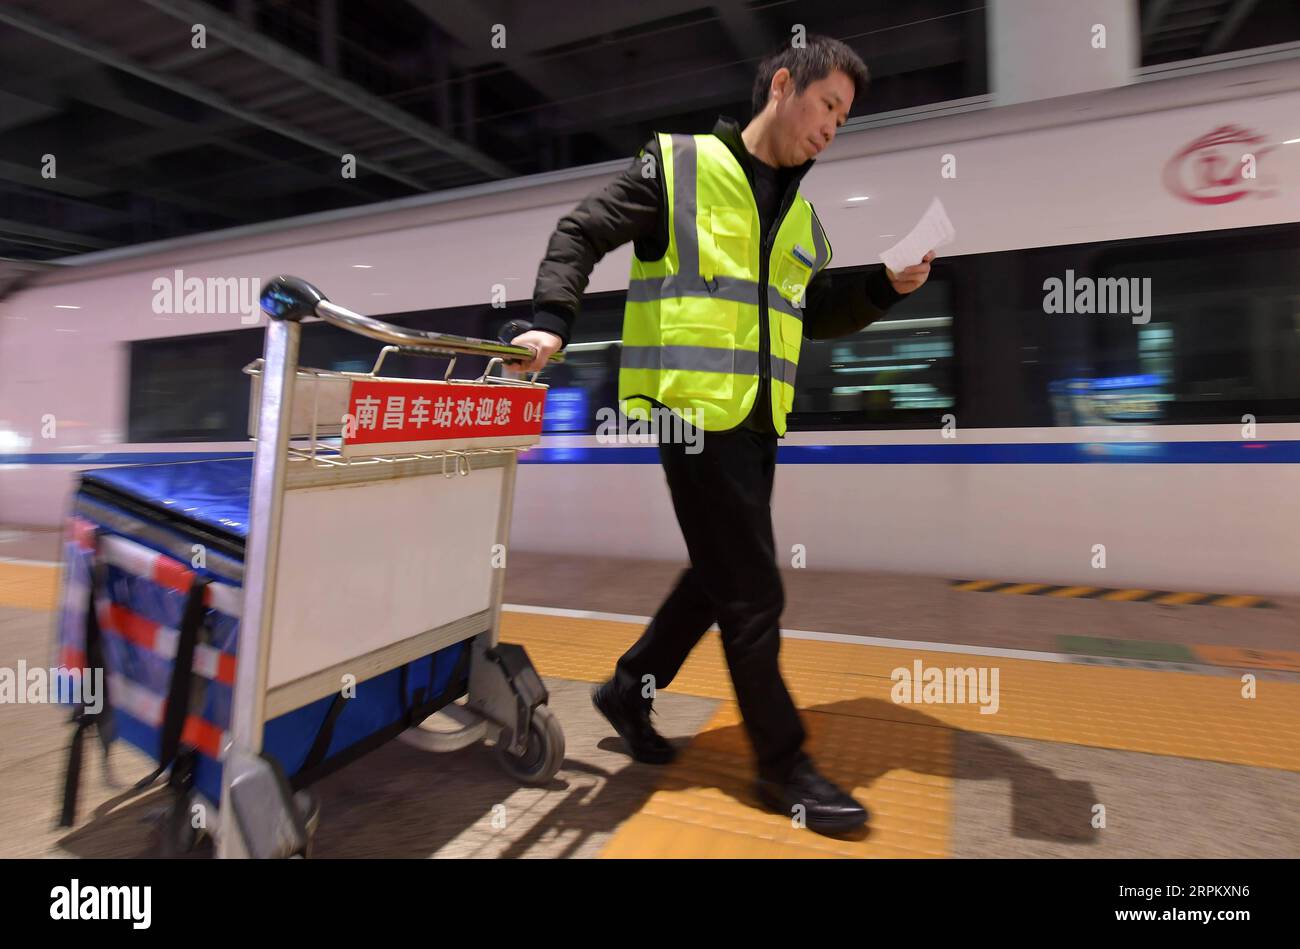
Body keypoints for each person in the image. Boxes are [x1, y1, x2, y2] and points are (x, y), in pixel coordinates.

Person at [517, 35, 933, 833]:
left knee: (719, 574)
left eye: (845, 119)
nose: (833, 129)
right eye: (828, 107)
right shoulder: (678, 168)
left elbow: (808, 315)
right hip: (692, 410)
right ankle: (785, 766)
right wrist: (550, 324)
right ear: (783, 85)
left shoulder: (803, 218)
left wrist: (884, 286)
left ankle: (628, 687)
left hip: (755, 421)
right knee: (753, 590)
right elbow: (580, 230)